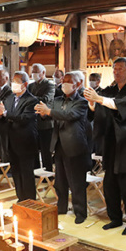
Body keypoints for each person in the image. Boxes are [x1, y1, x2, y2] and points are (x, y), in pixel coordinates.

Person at [84, 57, 126, 235]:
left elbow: (122, 107)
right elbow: (99, 109)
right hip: (110, 143)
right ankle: (115, 218)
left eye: (120, 68)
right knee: (110, 184)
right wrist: (92, 103)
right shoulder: (108, 90)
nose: (116, 72)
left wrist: (100, 100)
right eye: (114, 69)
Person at [35, 73, 90, 224]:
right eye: (63, 81)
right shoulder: (58, 100)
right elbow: (51, 115)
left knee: (76, 182)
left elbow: (69, 115)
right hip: (58, 144)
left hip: (74, 145)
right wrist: (43, 113)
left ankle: (80, 212)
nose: (64, 84)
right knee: (60, 181)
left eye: (69, 82)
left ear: (78, 84)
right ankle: (62, 206)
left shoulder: (82, 102)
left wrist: (49, 112)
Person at [0, 71, 39, 202]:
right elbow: (4, 119)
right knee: (16, 174)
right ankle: (20, 199)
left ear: (25, 84)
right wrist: (0, 115)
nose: (13, 84)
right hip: (11, 142)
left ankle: (30, 202)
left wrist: (6, 113)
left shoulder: (32, 100)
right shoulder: (9, 99)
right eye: (12, 81)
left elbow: (24, 119)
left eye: (16, 82)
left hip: (25, 142)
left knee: (26, 174)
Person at [28, 63, 55, 171]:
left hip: (45, 123)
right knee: (33, 150)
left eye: (36, 72)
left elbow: (45, 99)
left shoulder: (50, 85)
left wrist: (30, 99)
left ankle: (48, 171)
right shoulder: (31, 86)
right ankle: (36, 171)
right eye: (32, 72)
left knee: (45, 151)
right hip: (33, 123)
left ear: (43, 73)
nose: (34, 74)